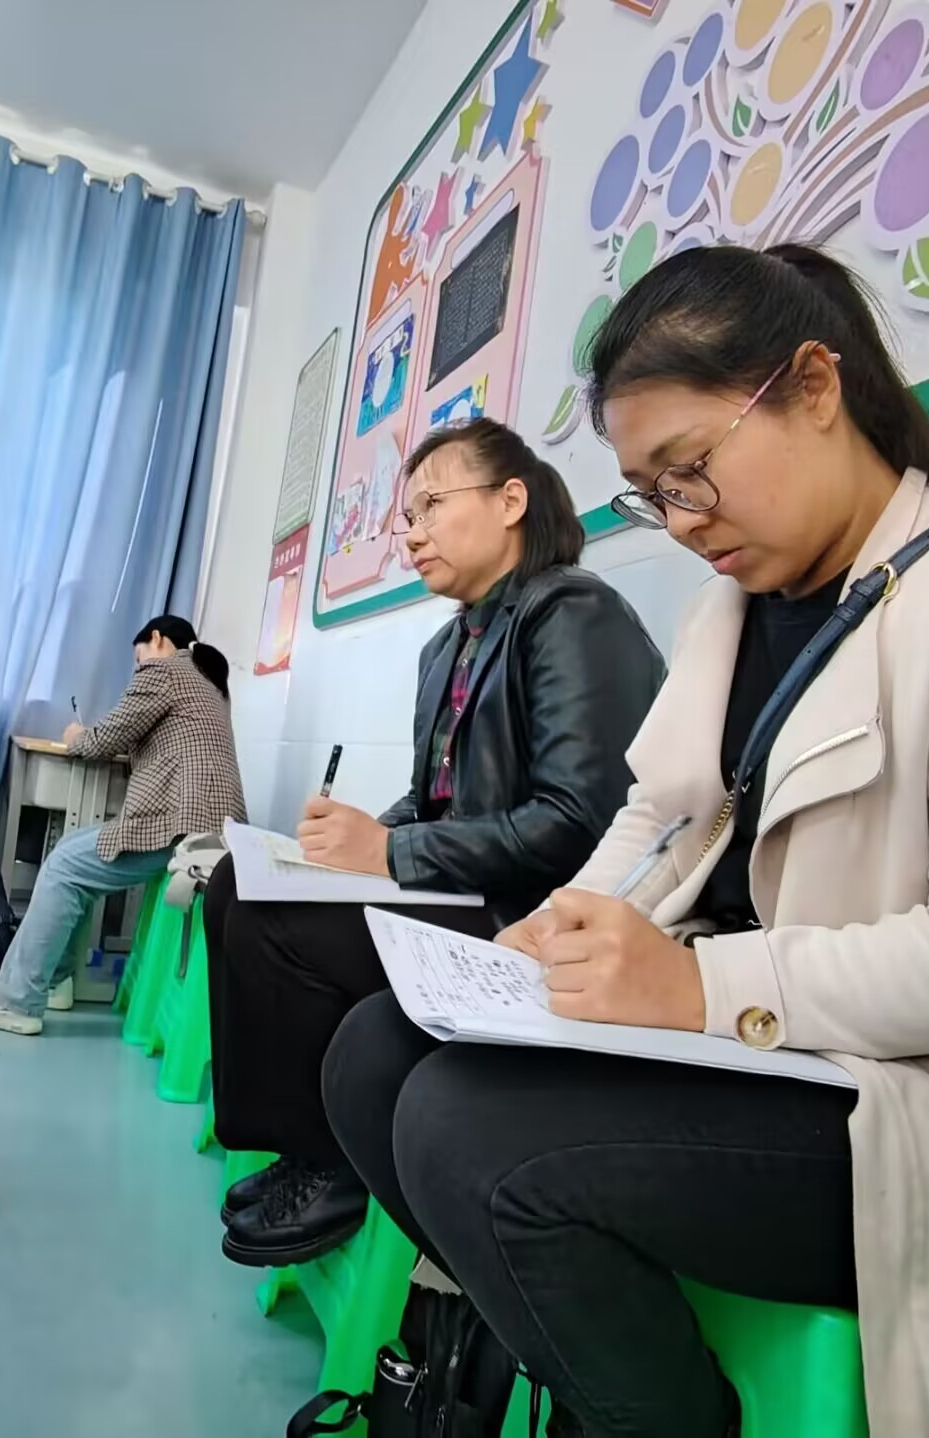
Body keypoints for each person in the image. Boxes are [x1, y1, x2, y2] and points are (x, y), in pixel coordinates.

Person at [323, 245, 929, 1438]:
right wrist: (552, 933)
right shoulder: (738, 605)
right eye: (649, 493)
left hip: (909, 1107)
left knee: (471, 1132)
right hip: (753, 1056)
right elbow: (658, 813)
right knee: (375, 1052)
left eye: (691, 469)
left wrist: (698, 985)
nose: (680, 521)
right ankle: (582, 1375)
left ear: (814, 387)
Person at [209, 420, 665, 1269]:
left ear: (510, 501)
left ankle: (337, 1159)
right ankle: (297, 1139)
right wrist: (362, 836)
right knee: (239, 883)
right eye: (406, 516)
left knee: (285, 926)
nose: (412, 533)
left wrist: (388, 856)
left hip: (526, 916)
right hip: (463, 885)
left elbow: (582, 820)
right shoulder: (445, 647)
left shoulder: (572, 612)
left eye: (430, 505)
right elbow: (433, 802)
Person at [0, 616, 247, 1037]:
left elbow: (100, 741)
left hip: (182, 828)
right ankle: (56, 981)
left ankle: (16, 1003)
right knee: (70, 853)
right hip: (217, 831)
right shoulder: (209, 681)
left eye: (138, 657)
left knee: (62, 868)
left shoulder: (166, 670)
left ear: (157, 639)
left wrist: (77, 734)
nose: (138, 667)